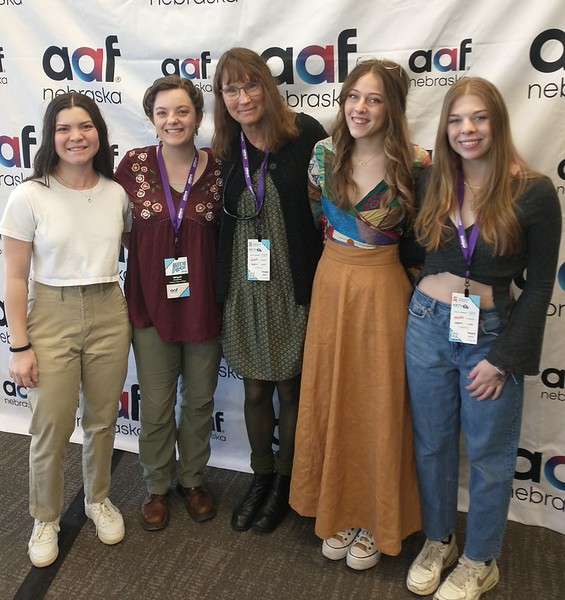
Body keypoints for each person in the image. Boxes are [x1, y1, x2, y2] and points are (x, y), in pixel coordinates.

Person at [404, 77, 561, 599]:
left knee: (491, 455)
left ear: (497, 121)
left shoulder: (533, 191)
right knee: (432, 444)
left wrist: (505, 359)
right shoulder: (432, 181)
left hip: (489, 337)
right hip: (426, 324)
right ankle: (439, 540)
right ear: (444, 127)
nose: (467, 130)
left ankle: (480, 560)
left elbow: (540, 286)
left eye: (478, 118)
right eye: (456, 120)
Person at [289, 59, 428, 570]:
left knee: (379, 400)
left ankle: (375, 516)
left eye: (373, 99)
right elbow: (312, 219)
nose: (360, 108)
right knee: (333, 395)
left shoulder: (417, 165)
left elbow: (424, 240)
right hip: (331, 284)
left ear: (392, 106)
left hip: (384, 290)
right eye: (353, 96)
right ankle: (338, 509)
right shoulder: (322, 156)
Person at [0, 93, 130, 567]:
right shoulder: (29, 194)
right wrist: (20, 345)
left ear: (99, 132)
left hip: (108, 309)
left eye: (85, 127)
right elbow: (14, 276)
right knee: (50, 427)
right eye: (64, 129)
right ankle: (45, 517)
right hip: (49, 312)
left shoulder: (116, 193)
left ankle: (97, 499)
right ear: (50, 137)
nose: (76, 137)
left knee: (100, 419)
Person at [213, 47, 326, 533]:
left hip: (293, 283)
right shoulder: (223, 151)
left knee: (291, 385)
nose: (242, 97)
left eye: (250, 85)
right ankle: (260, 475)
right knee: (255, 388)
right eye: (231, 89)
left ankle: (286, 480)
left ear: (267, 86)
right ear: (222, 99)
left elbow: (350, 185)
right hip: (245, 285)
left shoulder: (306, 136)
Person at [115, 76, 222, 530]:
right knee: (156, 406)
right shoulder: (133, 166)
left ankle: (193, 480)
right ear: (151, 119)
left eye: (182, 111)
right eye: (162, 112)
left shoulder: (218, 168)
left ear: (197, 116)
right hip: (149, 310)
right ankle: (157, 485)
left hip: (204, 309)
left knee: (199, 402)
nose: (172, 120)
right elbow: (118, 233)